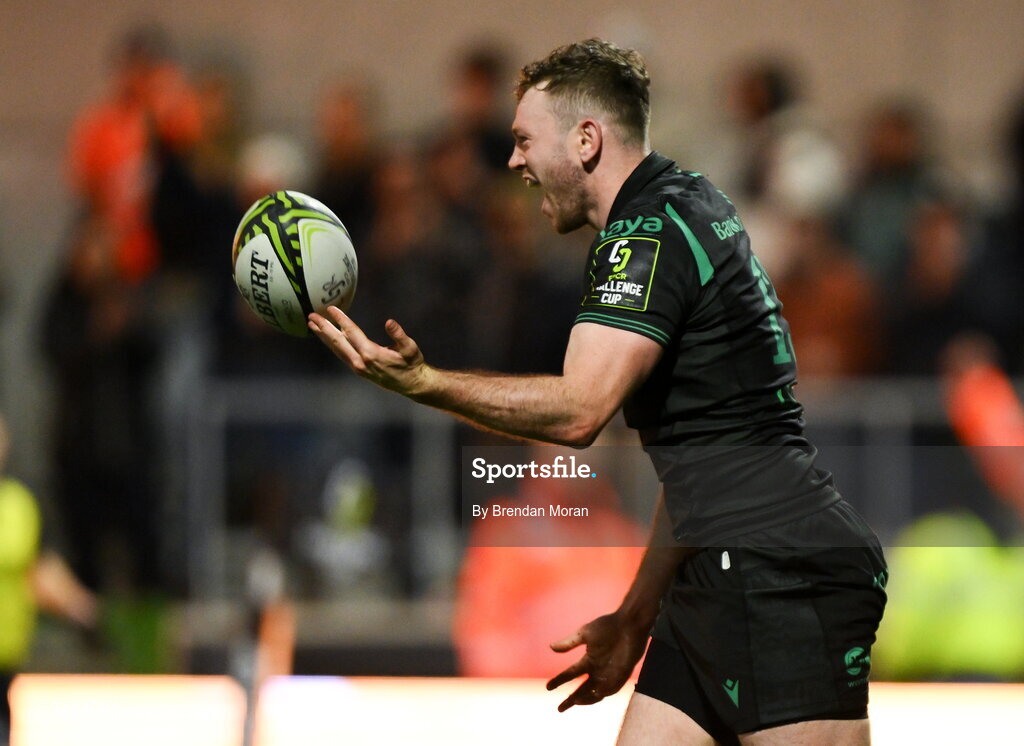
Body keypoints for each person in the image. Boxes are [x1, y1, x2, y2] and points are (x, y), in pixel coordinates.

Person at [308, 39, 887, 745]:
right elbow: (705, 457)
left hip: (780, 574)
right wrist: (637, 615)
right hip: (721, 568)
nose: (513, 161)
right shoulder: (688, 201)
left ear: (586, 141)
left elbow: (583, 411)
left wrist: (425, 383)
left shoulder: (640, 238)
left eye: (524, 140)